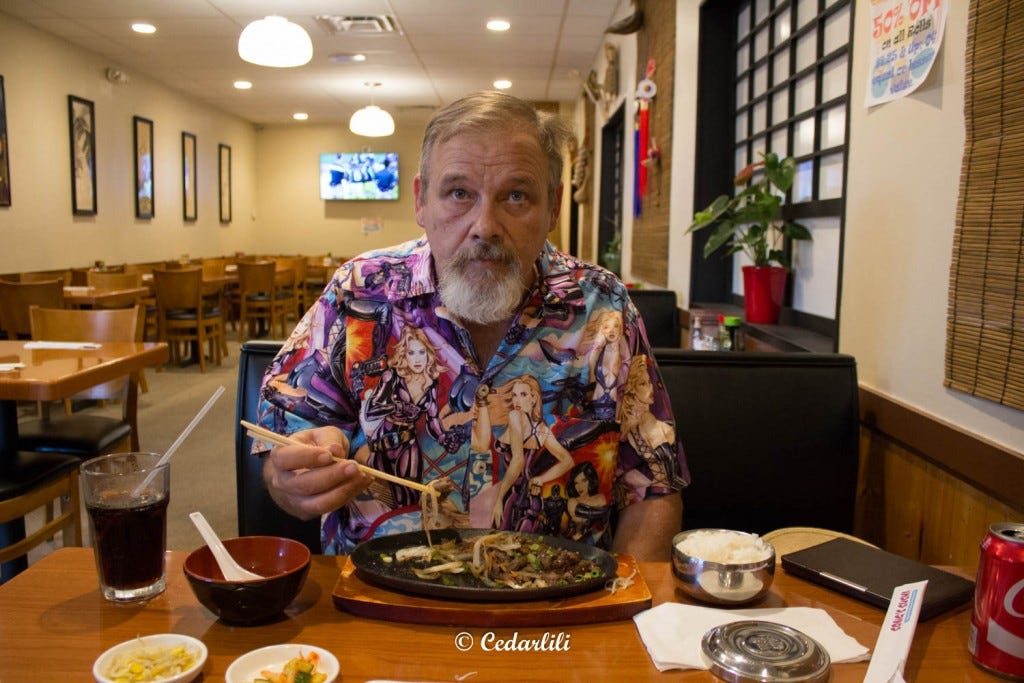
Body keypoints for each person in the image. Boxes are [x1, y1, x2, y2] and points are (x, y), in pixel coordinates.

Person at [256, 90, 689, 561]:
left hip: (556, 604)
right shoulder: (360, 292)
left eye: (516, 196)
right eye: (459, 193)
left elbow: (653, 486)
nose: (484, 225)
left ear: (554, 207)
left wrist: (618, 613)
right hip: (379, 600)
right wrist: (294, 477)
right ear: (422, 201)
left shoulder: (602, 308)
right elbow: (283, 451)